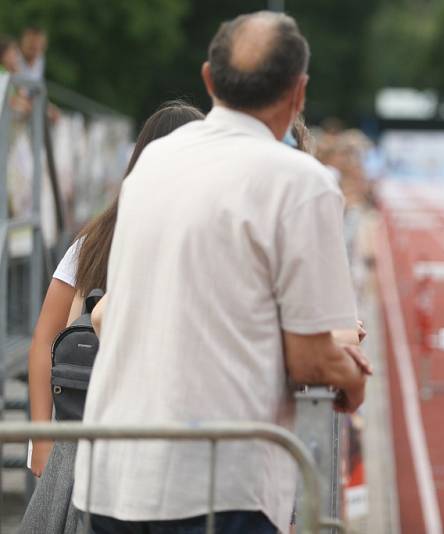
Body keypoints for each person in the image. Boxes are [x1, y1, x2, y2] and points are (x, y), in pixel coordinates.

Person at [72, 11, 371, 534]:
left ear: (210, 80)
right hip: (218, 484)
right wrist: (351, 376)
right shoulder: (303, 182)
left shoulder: (153, 163)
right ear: (298, 93)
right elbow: (310, 359)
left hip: (116, 471)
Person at [19, 101, 205, 534]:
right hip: (120, 445)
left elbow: (45, 341)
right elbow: (45, 341)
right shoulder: (101, 241)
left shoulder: (98, 237)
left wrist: (43, 443)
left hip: (89, 442)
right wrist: (40, 441)